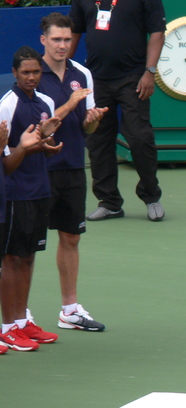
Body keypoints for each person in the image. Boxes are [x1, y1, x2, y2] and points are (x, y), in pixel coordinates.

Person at [38, 13, 108, 332]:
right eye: (56, 39)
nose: (63, 45)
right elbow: (38, 127)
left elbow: (87, 128)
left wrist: (93, 117)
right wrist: (69, 103)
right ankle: (17, 317)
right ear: (44, 40)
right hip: (36, 172)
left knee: (71, 237)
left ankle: (69, 310)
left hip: (72, 169)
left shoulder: (83, 74)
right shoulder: (31, 75)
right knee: (22, 248)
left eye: (67, 39)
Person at [68, 0, 166, 222]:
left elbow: (157, 34)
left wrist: (150, 72)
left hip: (134, 78)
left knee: (140, 137)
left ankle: (151, 196)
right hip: (95, 79)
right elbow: (73, 32)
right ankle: (109, 202)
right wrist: (65, 71)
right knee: (98, 140)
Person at [0, 46, 63, 352]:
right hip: (15, 194)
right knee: (11, 258)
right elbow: (5, 160)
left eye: (36, 72)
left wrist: (45, 144)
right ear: (14, 73)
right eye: (25, 72)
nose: (31, 77)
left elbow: (32, 146)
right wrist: (26, 146)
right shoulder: (6, 106)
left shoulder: (47, 102)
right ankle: (8, 326)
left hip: (40, 190)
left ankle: (23, 321)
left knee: (29, 256)